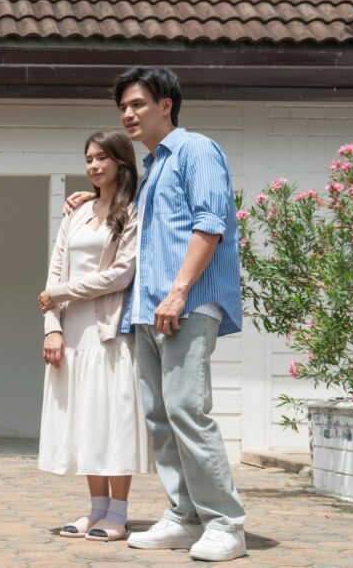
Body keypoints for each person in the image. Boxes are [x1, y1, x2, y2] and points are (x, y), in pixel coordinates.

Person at [69, 66, 246, 562]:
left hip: (184, 305)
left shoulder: (196, 150)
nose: (128, 114)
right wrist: (92, 197)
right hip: (147, 312)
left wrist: (178, 293)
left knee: (188, 409)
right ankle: (185, 517)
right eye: (123, 106)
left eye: (138, 104)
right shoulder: (151, 169)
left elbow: (209, 225)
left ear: (166, 104)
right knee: (161, 417)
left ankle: (226, 525)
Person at [37, 130, 150, 543]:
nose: (94, 165)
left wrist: (61, 294)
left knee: (112, 419)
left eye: (102, 157)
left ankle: (118, 513)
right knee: (86, 420)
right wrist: (52, 327)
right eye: (89, 158)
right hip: (71, 332)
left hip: (110, 332)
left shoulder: (133, 213)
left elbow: (121, 274)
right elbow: (55, 269)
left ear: (122, 162)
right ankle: (96, 509)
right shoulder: (76, 213)